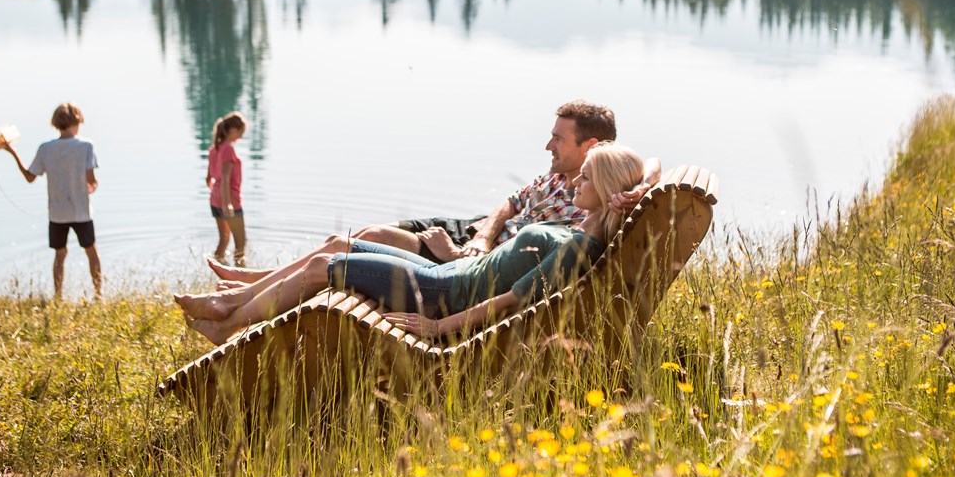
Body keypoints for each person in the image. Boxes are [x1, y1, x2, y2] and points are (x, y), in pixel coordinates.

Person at [175, 143, 645, 345]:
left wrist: (438, 329)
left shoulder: (578, 250)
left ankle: (228, 325)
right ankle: (234, 303)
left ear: (602, 187)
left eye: (585, 178)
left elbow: (511, 298)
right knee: (330, 252)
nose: (575, 183)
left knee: (323, 267)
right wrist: (637, 190)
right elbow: (647, 167)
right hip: (447, 275)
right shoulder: (583, 231)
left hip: (442, 292)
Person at [207, 101, 658, 287]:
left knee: (361, 239)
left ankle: (260, 283)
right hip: (477, 232)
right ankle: (263, 280)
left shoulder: (588, 200)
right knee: (361, 233)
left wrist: (462, 254)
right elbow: (511, 203)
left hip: (467, 260)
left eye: (558, 139)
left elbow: (512, 272)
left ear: (592, 147)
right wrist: (484, 232)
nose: (548, 146)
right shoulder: (562, 177)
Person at [1, 102, 101, 300]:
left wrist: (12, 151)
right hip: (81, 211)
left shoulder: (46, 149)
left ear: (56, 123)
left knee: (60, 255)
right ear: (77, 121)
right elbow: (91, 180)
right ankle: (98, 295)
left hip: (57, 213)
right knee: (91, 251)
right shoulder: (86, 146)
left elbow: (30, 177)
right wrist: (93, 185)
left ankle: (58, 298)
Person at [207, 111, 249, 265]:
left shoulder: (214, 148)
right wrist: (227, 204)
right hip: (229, 200)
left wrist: (219, 199)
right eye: (241, 132)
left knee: (224, 239)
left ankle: (216, 266)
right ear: (233, 130)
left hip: (215, 199)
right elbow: (225, 177)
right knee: (240, 242)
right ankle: (241, 275)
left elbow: (209, 177)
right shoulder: (228, 150)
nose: (241, 136)